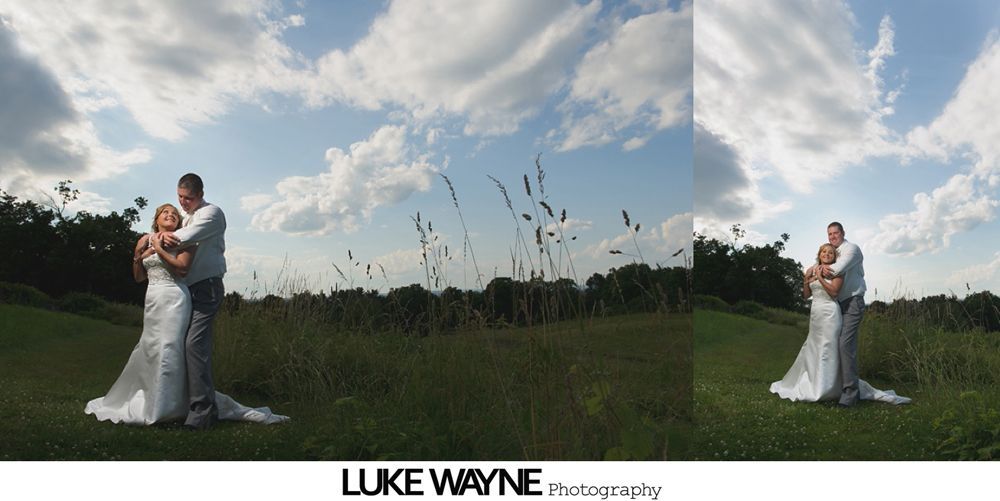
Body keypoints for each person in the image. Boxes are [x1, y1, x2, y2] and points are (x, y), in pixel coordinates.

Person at [85, 201, 288, 426]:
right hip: (153, 299)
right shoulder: (146, 239)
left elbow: (182, 269)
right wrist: (137, 253)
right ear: (157, 219)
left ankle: (171, 406)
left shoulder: (185, 240)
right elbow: (139, 277)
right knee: (150, 346)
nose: (171, 215)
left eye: (174, 213)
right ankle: (152, 397)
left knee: (170, 347)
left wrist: (159, 249)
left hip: (174, 298)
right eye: (166, 212)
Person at [769, 240, 910, 405]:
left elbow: (834, 293)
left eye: (830, 253)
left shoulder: (837, 272)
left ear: (834, 257)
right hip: (816, 314)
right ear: (819, 255)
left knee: (829, 347)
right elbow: (806, 296)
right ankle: (814, 382)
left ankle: (831, 387)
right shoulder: (812, 270)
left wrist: (821, 278)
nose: (827, 255)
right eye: (824, 252)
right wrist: (806, 279)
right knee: (814, 346)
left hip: (830, 313)